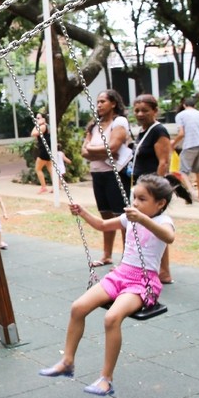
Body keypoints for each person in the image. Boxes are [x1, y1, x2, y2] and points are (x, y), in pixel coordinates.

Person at [38, 174, 176, 396]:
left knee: (112, 318)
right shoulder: (129, 217)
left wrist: (142, 219)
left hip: (144, 282)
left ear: (160, 203)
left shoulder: (162, 221)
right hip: (121, 274)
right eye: (135, 198)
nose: (136, 203)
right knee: (78, 307)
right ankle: (67, 361)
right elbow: (102, 225)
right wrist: (83, 213)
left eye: (142, 199)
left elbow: (168, 237)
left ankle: (106, 379)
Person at [81, 90, 133, 267]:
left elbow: (113, 147)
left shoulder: (119, 122)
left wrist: (93, 149)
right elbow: (83, 152)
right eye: (98, 102)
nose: (99, 105)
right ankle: (107, 255)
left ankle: (128, 258)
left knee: (122, 216)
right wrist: (101, 152)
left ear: (113, 103)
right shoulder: (94, 126)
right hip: (98, 175)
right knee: (106, 214)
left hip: (114, 174)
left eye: (103, 101)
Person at [130, 94, 175, 283]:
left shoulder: (159, 131)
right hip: (141, 188)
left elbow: (164, 162)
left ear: (155, 111)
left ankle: (164, 271)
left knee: (156, 229)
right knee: (144, 230)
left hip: (151, 192)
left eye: (145, 111)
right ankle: (147, 266)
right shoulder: (143, 131)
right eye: (137, 110)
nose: (140, 114)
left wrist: (154, 191)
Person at [172, 94, 199, 202]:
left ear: (184, 105)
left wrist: (173, 142)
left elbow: (181, 133)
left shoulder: (181, 115)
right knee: (198, 170)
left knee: (183, 171)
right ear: (195, 105)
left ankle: (191, 193)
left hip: (189, 144)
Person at [31, 112, 53, 193]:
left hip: (44, 149)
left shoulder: (43, 126)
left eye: (38, 118)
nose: (37, 119)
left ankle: (43, 187)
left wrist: (37, 124)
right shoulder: (46, 126)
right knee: (50, 168)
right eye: (36, 118)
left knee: (38, 168)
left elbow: (33, 133)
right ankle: (56, 186)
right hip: (46, 148)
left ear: (43, 119)